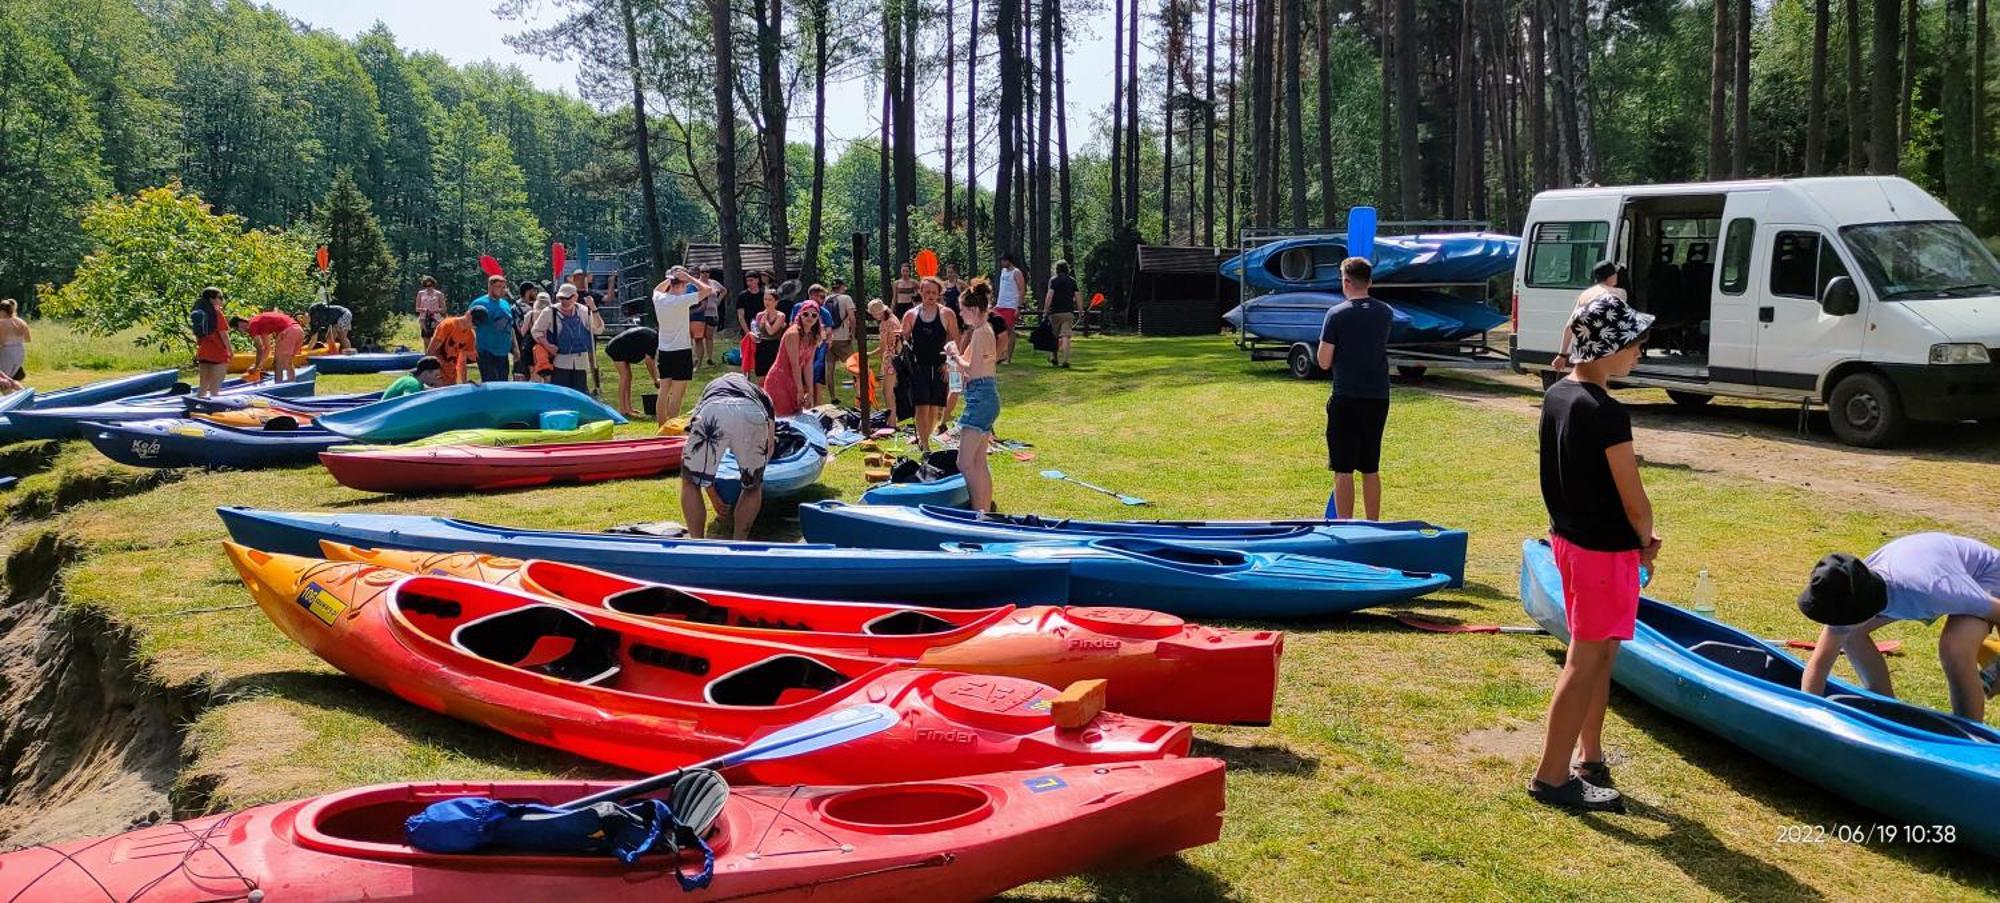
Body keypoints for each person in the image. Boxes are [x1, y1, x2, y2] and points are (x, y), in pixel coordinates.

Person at [1528, 292, 1658, 815]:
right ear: (1606, 348)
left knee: (1602, 656)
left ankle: (1590, 757)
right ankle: (1552, 777)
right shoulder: (1606, 412)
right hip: (1601, 555)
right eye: (1633, 344)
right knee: (1584, 663)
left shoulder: (1559, 393)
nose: (1639, 353)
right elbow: (1633, 498)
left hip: (1573, 543)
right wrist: (1645, 540)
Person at [1797, 534, 2000, 720]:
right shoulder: (1849, 589)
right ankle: (1886, 709)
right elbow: (1820, 664)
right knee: (1851, 635)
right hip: (1933, 567)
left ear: (1861, 612)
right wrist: (1809, 715)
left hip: (1987, 575)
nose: (1836, 624)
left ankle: (1968, 737)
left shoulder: (1931, 590)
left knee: (1954, 649)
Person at [1316, 257, 1395, 521]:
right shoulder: (1385, 312)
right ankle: (1372, 524)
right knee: (1370, 467)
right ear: (1370, 281)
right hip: (1377, 397)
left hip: (1346, 397)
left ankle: (1345, 525)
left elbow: (1324, 361)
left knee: (1344, 468)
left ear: (1346, 281)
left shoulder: (1336, 315)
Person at [681, 372, 776, 541]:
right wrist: (755, 470)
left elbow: (692, 436)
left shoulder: (711, 387)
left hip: (713, 409)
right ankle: (739, 541)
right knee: (752, 486)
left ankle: (696, 541)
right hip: (751, 411)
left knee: (691, 482)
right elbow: (770, 445)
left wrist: (712, 494)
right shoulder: (760, 392)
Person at [949, 288, 1000, 513]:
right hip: (985, 397)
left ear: (974, 310)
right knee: (979, 462)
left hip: (981, 399)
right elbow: (967, 362)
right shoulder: (984, 330)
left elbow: (972, 368)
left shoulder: (981, 332)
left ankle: (978, 511)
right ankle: (984, 511)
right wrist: (956, 355)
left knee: (965, 463)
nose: (960, 314)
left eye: (962, 310)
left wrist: (954, 355)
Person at [901, 275, 960, 454]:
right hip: (919, 365)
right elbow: (903, 340)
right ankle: (925, 444)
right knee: (922, 405)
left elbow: (955, 339)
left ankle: (927, 437)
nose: (930, 295)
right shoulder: (911, 315)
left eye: (934, 292)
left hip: (940, 365)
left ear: (939, 294)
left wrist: (950, 363)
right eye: (927, 292)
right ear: (921, 292)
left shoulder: (946, 314)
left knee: (935, 406)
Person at [652, 266, 715, 425]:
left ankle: (661, 428)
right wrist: (690, 277)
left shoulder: (659, 298)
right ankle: (672, 430)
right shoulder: (682, 300)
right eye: (685, 285)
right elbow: (708, 290)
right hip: (681, 351)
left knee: (663, 391)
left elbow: (656, 289)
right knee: (677, 395)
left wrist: (671, 277)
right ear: (682, 285)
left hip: (664, 351)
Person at [1552, 260, 1627, 372]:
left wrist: (1562, 355)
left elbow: (1569, 326)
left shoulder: (1585, 294)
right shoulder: (1619, 293)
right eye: (1615, 273)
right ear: (1610, 276)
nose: (1617, 275)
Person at [534, 284, 603, 392]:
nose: (564, 301)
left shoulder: (584, 311)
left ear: (575, 297)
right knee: (560, 394)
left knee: (579, 394)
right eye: (561, 298)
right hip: (560, 361)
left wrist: (593, 308)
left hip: (581, 362)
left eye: (567, 298)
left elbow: (598, 329)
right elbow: (536, 331)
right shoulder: (549, 312)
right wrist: (548, 345)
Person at [763, 299, 821, 417]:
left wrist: (810, 392)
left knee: (796, 416)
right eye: (806, 314)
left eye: (814, 315)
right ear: (800, 314)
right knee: (781, 418)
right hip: (780, 379)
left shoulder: (813, 336)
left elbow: (808, 365)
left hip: (795, 380)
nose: (810, 317)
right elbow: (795, 364)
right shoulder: (793, 333)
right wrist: (800, 390)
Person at [230, 307, 304, 383]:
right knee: (287, 361)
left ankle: (278, 385)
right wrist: (259, 366)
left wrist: (255, 367)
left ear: (240, 323)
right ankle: (291, 382)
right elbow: (267, 348)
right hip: (298, 330)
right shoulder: (259, 323)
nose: (239, 332)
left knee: (278, 363)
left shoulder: (252, 325)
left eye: (236, 329)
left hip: (288, 331)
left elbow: (260, 349)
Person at [469, 275, 516, 383]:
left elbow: (510, 327)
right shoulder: (479, 303)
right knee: (490, 384)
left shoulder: (505, 304)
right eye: (499, 286)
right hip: (486, 351)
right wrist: (472, 348)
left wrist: (515, 348)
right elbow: (470, 326)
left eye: (504, 287)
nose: (502, 290)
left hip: (503, 351)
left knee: (503, 383)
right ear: (490, 287)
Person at [605, 324, 659, 416]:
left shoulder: (653, 336)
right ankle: (622, 409)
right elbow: (649, 361)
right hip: (616, 347)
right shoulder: (654, 339)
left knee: (629, 377)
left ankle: (629, 408)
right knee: (625, 377)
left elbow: (651, 360)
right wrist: (655, 380)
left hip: (623, 347)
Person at [426, 306, 481, 386]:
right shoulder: (447, 325)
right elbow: (430, 351)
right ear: (468, 314)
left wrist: (464, 382)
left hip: (451, 375)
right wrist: (431, 376)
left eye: (476, 325)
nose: (473, 326)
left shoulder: (470, 336)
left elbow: (462, 360)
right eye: (474, 322)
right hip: (437, 374)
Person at [191, 287, 231, 397]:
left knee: (202, 387)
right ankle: (214, 411)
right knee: (215, 389)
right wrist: (230, 351)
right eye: (220, 297)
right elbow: (224, 336)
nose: (222, 300)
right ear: (212, 299)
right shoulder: (217, 314)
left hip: (203, 353)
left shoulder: (199, 314)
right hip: (218, 354)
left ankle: (196, 409)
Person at [822, 281, 856, 404]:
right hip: (842, 338)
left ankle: (832, 398)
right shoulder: (846, 298)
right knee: (855, 366)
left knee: (829, 369)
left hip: (828, 338)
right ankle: (860, 393)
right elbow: (852, 318)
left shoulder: (825, 299)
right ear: (842, 287)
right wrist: (852, 333)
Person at [1041, 260, 1080, 368]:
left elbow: (1049, 296)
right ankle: (1066, 360)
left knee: (1054, 336)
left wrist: (1045, 311)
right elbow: (1077, 297)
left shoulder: (1053, 280)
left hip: (1055, 312)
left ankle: (1054, 358)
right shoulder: (1072, 281)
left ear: (1057, 269)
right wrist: (1081, 311)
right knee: (1066, 336)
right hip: (1068, 312)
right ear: (1067, 269)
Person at [868, 298, 901, 416]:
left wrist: (868, 354)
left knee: (887, 392)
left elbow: (882, 348)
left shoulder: (885, 324)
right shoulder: (894, 319)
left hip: (890, 359)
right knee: (889, 391)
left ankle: (891, 422)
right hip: (897, 357)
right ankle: (892, 420)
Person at [993, 252, 1027, 364]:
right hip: (1000, 305)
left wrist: (1019, 307)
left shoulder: (1016, 272)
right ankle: (1000, 354)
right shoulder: (1003, 272)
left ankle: (1008, 357)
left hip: (1011, 305)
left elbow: (1022, 289)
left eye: (1003, 260)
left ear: (1009, 261)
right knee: (996, 329)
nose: (1001, 262)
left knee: (1009, 330)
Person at [749, 288, 788, 378]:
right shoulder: (759, 315)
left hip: (775, 346)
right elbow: (757, 333)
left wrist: (765, 320)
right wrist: (752, 334)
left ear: (776, 302)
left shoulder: (780, 315)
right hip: (761, 346)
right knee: (761, 375)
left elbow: (771, 332)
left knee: (773, 375)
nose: (767, 302)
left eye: (770, 300)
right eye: (765, 299)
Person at [512, 282, 547, 382]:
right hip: (523, 347)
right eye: (534, 290)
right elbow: (520, 329)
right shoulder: (518, 308)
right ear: (528, 291)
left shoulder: (533, 306)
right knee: (522, 379)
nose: (536, 293)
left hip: (535, 348)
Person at [0, 299, 28, 385]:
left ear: (3, 311)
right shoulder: (21, 322)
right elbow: (27, 339)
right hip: (20, 351)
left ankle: (20, 396)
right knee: (9, 379)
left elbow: (2, 341)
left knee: (4, 381)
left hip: (7, 352)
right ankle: (21, 395)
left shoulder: (2, 322)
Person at [415, 276, 447, 341]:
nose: (429, 287)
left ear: (433, 284)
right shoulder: (420, 293)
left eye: (430, 285)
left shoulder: (439, 294)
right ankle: (427, 351)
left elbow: (444, 309)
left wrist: (434, 311)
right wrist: (424, 309)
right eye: (426, 286)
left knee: (436, 339)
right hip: (424, 319)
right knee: (426, 339)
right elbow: (417, 308)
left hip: (435, 319)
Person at [734, 271, 766, 337]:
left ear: (757, 280)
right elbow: (741, 316)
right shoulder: (742, 296)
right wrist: (748, 332)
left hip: (762, 327)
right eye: (747, 281)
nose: (749, 283)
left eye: (751, 280)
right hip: (747, 327)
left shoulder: (764, 295)